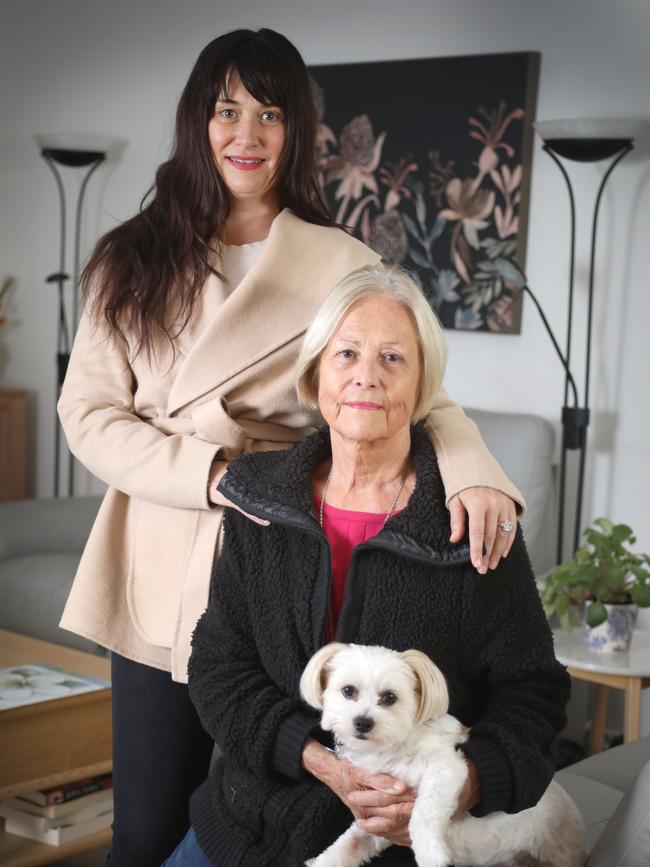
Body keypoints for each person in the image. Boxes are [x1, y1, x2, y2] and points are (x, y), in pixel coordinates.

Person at [58, 29, 524, 867]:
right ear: (197, 121)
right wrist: (209, 473)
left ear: (296, 129)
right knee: (143, 829)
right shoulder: (133, 255)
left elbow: (418, 387)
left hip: (283, 555)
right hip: (163, 539)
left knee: (277, 812)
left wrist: (479, 473)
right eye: (226, 109)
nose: (246, 134)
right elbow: (88, 411)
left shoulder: (341, 259)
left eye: (269, 113)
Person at [164, 265, 570, 867]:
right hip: (259, 814)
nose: (366, 377)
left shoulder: (471, 521)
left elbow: (533, 691)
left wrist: (464, 787)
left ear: (423, 381)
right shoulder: (259, 506)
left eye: (393, 359)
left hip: (407, 837)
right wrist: (317, 759)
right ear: (315, 374)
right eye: (346, 353)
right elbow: (220, 666)